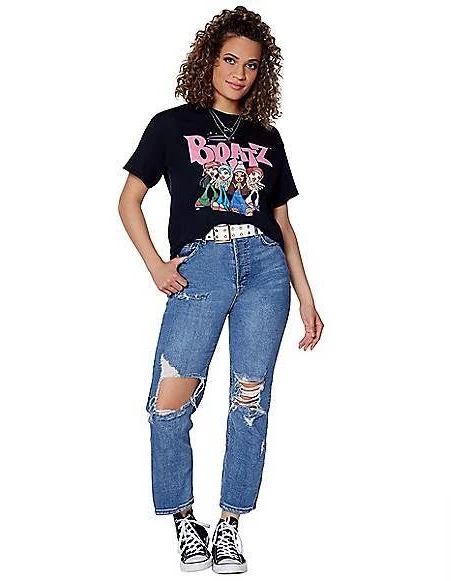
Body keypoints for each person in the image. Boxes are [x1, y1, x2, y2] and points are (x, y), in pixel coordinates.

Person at [118, 5, 324, 574]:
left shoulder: (267, 138)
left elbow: (283, 225)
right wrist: (156, 266)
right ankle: (185, 519)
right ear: (209, 61)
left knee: (249, 403)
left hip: (266, 271)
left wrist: (307, 298)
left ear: (262, 73)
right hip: (200, 267)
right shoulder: (171, 125)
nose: (239, 73)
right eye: (230, 60)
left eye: (251, 65)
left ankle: (229, 525)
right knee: (170, 400)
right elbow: (128, 201)